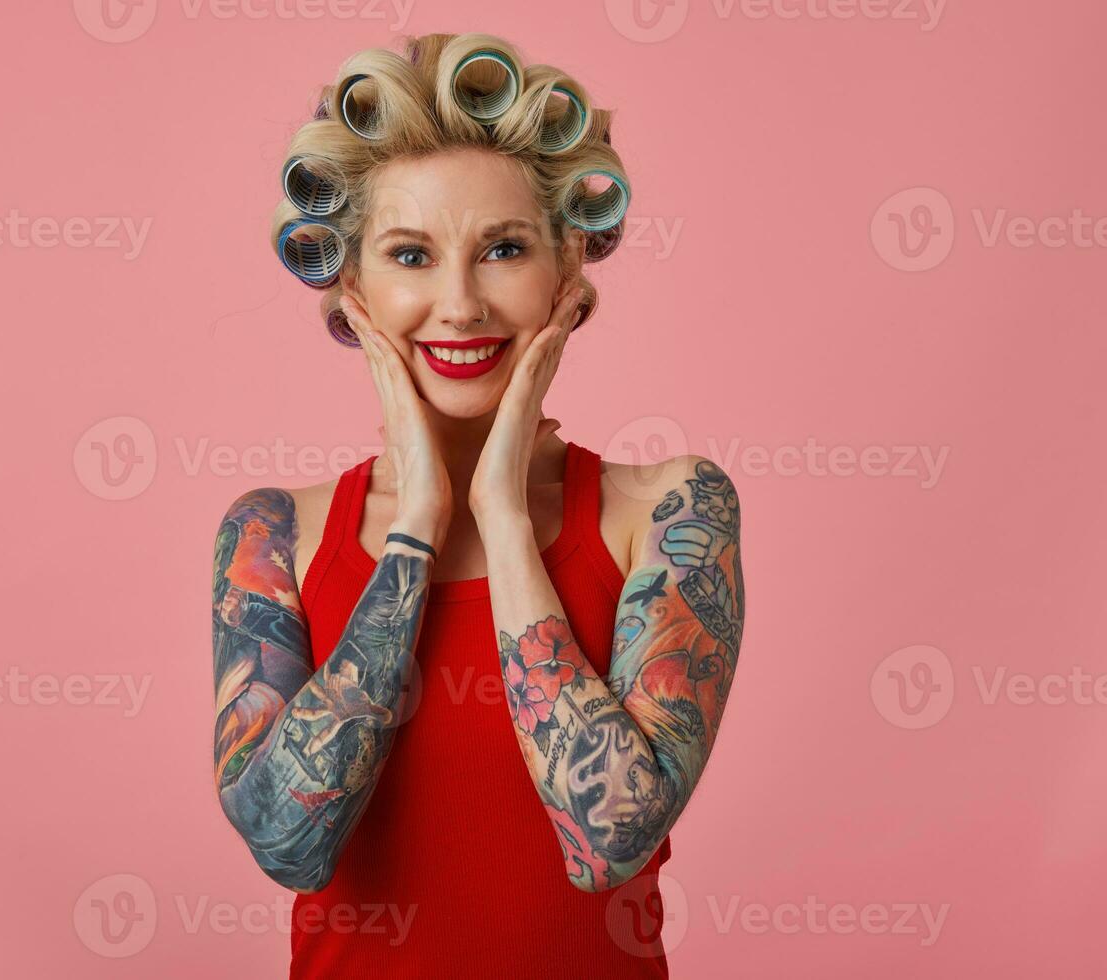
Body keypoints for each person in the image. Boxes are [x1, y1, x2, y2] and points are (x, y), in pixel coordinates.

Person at [211, 31, 746, 978]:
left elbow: (606, 842)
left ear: (568, 264)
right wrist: (414, 529)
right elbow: (288, 845)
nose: (459, 305)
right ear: (351, 281)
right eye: (410, 255)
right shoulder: (273, 534)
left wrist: (501, 518)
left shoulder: (668, 511)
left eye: (502, 248)